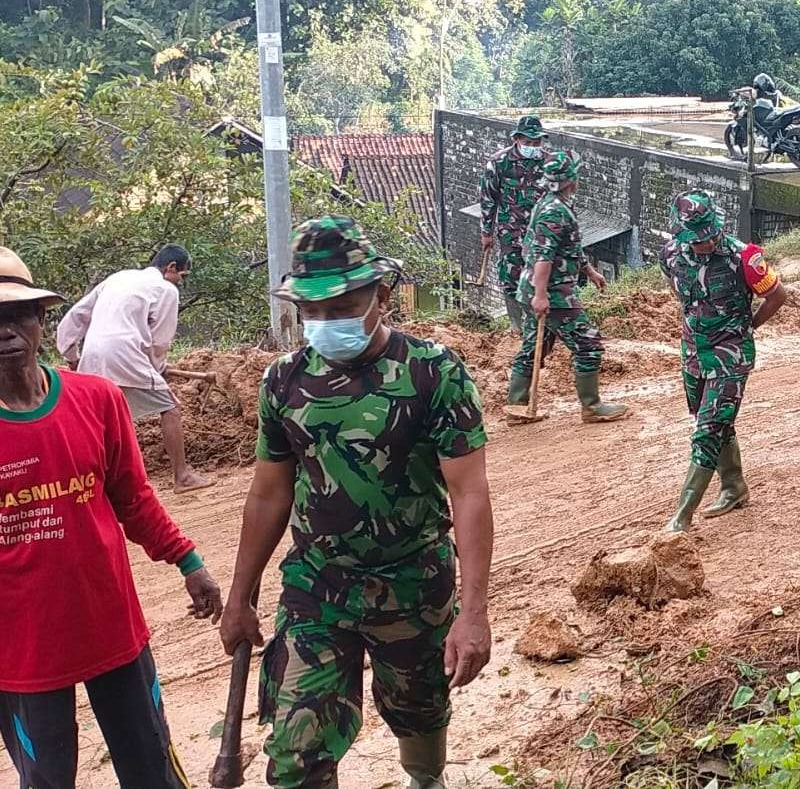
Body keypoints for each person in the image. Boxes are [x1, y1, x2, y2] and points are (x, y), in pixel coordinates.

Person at [218, 216, 493, 788]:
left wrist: (472, 612)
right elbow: (268, 493)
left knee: (418, 712)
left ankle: (426, 778)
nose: (323, 321)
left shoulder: (432, 374)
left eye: (341, 305)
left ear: (381, 296)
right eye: (310, 310)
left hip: (412, 583)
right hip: (318, 587)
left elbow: (469, 493)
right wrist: (239, 597)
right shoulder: (283, 382)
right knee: (295, 755)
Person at [0, 244, 222, 789]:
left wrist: (189, 562)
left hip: (110, 624)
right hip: (22, 647)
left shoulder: (97, 399)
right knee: (46, 779)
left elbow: (133, 498)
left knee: (151, 768)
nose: (5, 333)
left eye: (17, 315)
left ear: (41, 319)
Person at [658, 191, 789, 532]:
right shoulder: (671, 254)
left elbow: (777, 296)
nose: (705, 244)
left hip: (730, 355)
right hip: (693, 355)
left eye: (709, 236)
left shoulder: (745, 258)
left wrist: (748, 327)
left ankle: (682, 516)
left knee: (707, 430)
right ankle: (734, 487)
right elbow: (679, 293)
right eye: (698, 239)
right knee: (715, 422)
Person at [55, 244, 212, 490]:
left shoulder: (118, 278)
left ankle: (89, 482)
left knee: (99, 420)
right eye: (182, 275)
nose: (180, 281)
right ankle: (182, 477)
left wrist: (72, 356)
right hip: (125, 354)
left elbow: (76, 317)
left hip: (92, 355)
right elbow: (160, 341)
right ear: (171, 268)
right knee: (170, 408)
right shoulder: (166, 290)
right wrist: (157, 368)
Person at [509, 150, 630, 423]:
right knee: (588, 344)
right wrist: (541, 296)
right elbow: (544, 257)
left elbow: (568, 248)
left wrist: (589, 270)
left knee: (534, 345)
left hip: (535, 288)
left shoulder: (551, 204)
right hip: (552, 293)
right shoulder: (555, 211)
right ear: (570, 180)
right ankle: (591, 406)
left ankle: (517, 406)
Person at [479, 114, 550, 353]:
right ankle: (515, 324)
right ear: (517, 139)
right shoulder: (499, 162)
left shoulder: (549, 163)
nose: (533, 147)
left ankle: (538, 323)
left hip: (541, 233)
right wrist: (486, 232)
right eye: (528, 142)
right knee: (510, 276)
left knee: (540, 275)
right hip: (510, 230)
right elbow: (488, 199)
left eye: (537, 142)